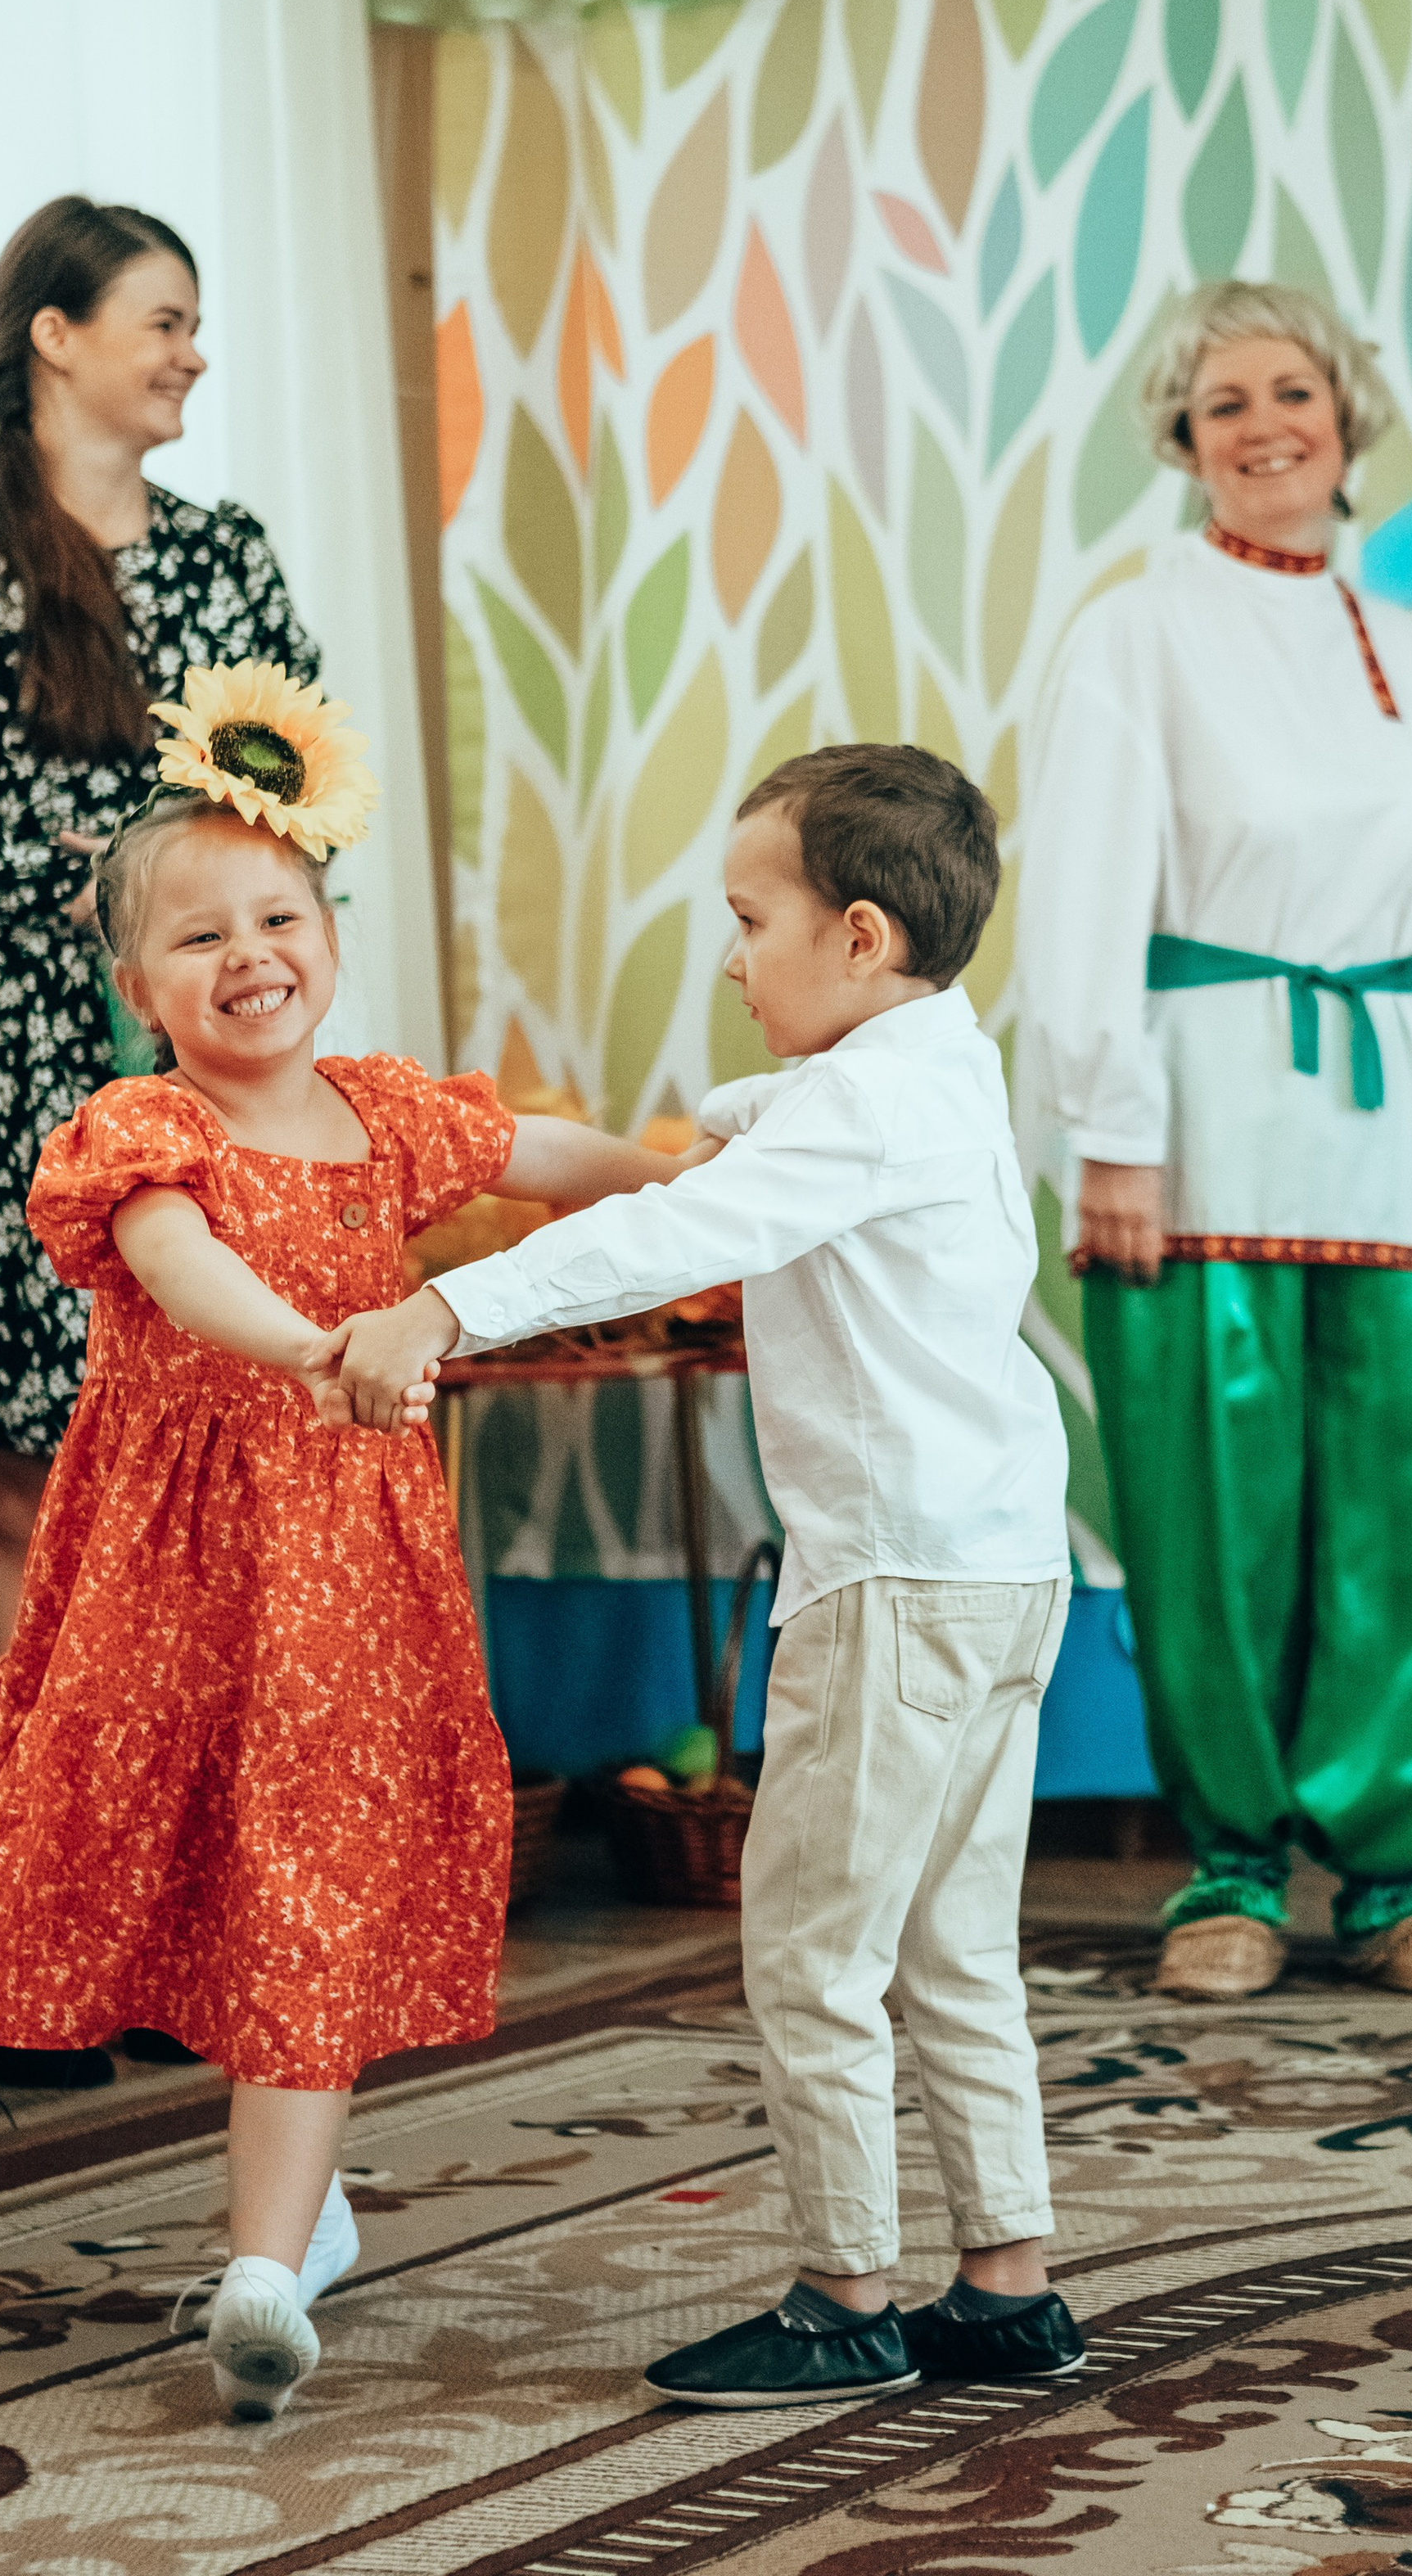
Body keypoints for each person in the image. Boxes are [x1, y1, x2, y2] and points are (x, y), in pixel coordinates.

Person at [0, 670, 694, 2420]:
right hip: (177, 1572)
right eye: (199, 938)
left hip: (348, 1568)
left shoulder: (387, 1113)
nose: (248, 953)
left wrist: (686, 1178)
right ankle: (306, 2211)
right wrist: (322, 1347)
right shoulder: (148, 1132)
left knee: (308, 1877)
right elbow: (187, 1272)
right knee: (195, 1866)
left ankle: (265, 2266)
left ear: (331, 930)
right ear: (138, 992)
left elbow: (551, 1152)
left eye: (280, 914)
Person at [340, 745, 1083, 2412]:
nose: (731, 957)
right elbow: (751, 1136)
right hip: (995, 1571)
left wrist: (440, 1310)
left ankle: (842, 2296)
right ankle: (1007, 2284)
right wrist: (686, 1137)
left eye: (751, 921)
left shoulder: (862, 1109)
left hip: (891, 1582)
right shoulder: (928, 1068)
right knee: (950, 1945)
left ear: (862, 937)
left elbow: (677, 1235)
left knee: (811, 1947)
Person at [1016, 280, 1412, 2006]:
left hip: (1389, 1119)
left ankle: (1402, 1879)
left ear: (1346, 415)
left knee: (1410, 1510)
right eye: (1220, 404)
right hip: (1194, 1121)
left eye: (1289, 392)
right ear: (1180, 444)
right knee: (1212, 1516)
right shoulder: (1134, 634)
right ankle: (1231, 1871)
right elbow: (1088, 888)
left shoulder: (1409, 648)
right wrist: (1108, 1130)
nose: (1261, 427)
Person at [0, 195, 318, 1687]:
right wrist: (117, 884)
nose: (193, 357)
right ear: (57, 334)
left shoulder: (228, 555)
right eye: (164, 323)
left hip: (202, 1062)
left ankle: (164, 1861)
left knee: (208, 1463)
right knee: (4, 1478)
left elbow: (302, 792)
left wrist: (216, 932)